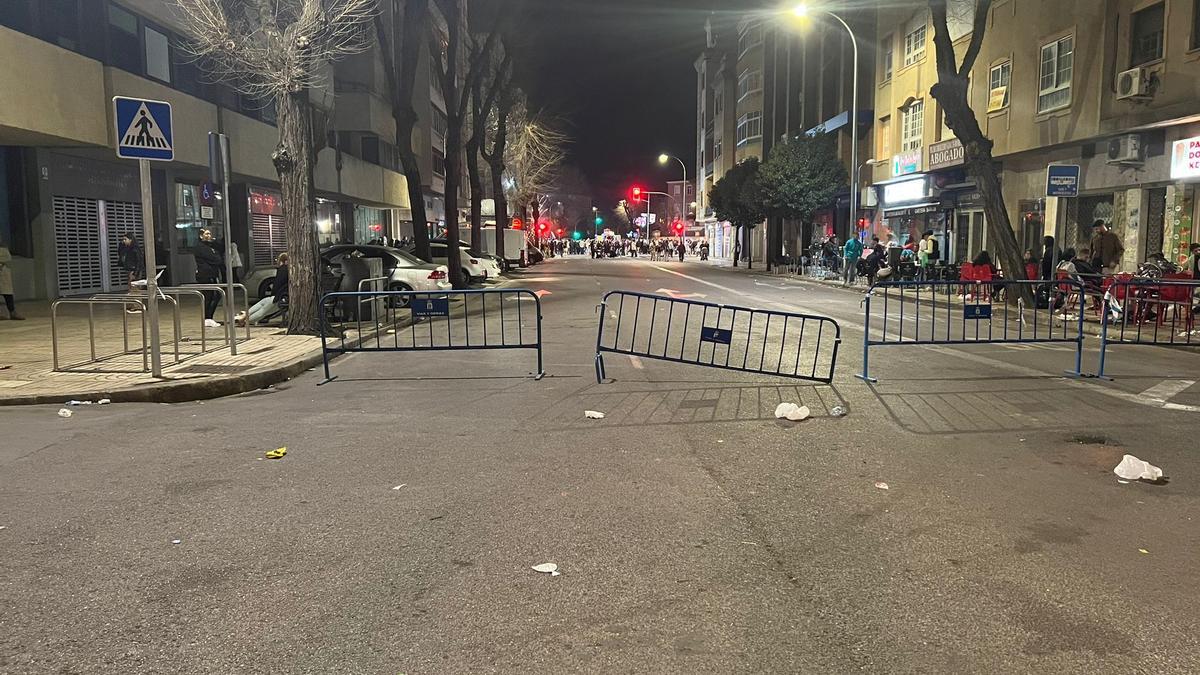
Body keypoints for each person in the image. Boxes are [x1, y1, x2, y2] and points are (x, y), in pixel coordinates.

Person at [237, 253, 288, 326]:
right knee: (264, 309)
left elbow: (277, 285)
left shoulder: (282, 270)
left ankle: (245, 316)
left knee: (263, 304)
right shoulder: (286, 270)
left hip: (278, 296)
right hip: (281, 297)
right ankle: (246, 320)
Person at [193, 228, 224, 327]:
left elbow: (219, 256)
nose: (209, 235)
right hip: (205, 275)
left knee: (216, 295)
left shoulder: (211, 246)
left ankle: (209, 317)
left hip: (212, 274)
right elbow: (215, 259)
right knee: (209, 296)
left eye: (210, 233)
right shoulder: (200, 247)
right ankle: (207, 317)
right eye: (206, 234)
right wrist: (216, 257)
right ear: (201, 236)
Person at [0, 241, 23, 320]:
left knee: (8, 292)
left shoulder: (2, 246)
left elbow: (7, 257)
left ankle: (12, 312)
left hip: (3, 270)